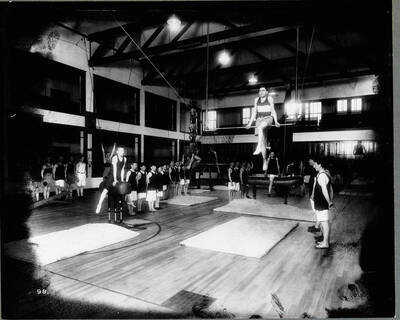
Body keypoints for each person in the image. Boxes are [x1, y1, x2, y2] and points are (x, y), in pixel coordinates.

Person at [245, 87, 280, 171]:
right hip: (259, 119)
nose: (261, 92)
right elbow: (254, 112)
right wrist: (250, 123)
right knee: (263, 142)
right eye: (260, 90)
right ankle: (264, 160)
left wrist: (276, 121)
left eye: (263, 90)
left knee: (261, 127)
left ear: (267, 92)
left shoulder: (269, 98)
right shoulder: (256, 100)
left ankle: (258, 147)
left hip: (268, 118)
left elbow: (273, 110)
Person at [311, 158, 334, 249]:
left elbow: (325, 190)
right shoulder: (323, 174)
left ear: (319, 164)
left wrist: (329, 202)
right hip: (320, 203)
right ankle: (324, 241)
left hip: (322, 203)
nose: (313, 166)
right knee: (324, 222)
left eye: (315, 164)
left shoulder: (322, 175)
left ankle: (325, 243)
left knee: (324, 223)